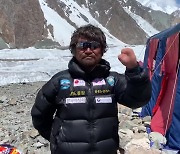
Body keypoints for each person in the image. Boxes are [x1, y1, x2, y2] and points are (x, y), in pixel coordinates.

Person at [31, 24, 151, 154]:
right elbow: (40, 116)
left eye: (94, 46)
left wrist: (134, 70)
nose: (88, 50)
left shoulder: (113, 81)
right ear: (73, 49)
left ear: (102, 50)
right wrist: (57, 139)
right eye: (82, 46)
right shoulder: (59, 82)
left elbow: (138, 100)